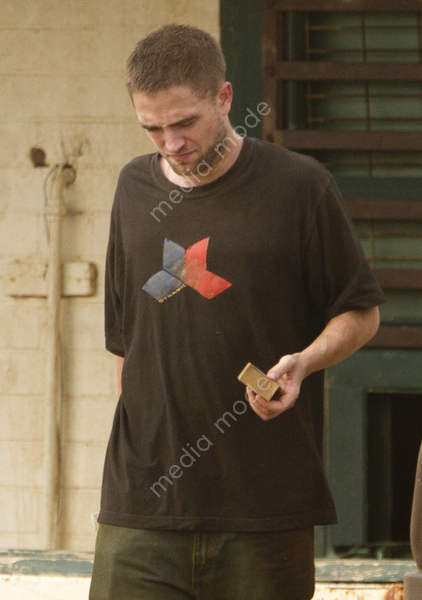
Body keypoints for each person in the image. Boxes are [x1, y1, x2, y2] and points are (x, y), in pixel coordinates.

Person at [89, 23, 385, 600]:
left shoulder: (301, 185)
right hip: (143, 508)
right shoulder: (132, 188)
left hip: (265, 508)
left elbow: (360, 312)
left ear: (224, 98)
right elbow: (125, 342)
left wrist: (304, 362)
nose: (171, 143)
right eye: (152, 128)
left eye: (184, 122)